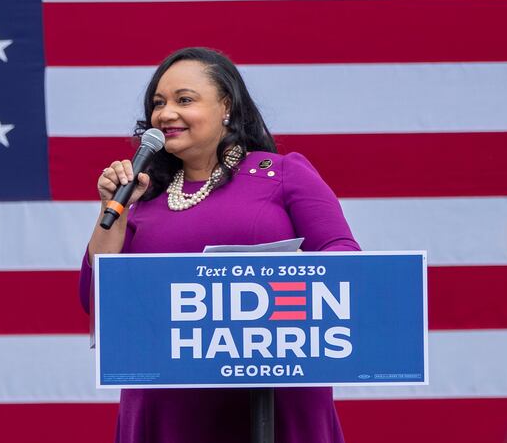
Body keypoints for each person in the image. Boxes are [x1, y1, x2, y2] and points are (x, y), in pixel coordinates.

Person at [79, 47, 360, 443]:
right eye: (158, 103)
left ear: (226, 105)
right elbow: (100, 298)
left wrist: (274, 283)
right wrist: (118, 211)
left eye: (184, 100)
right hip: (170, 402)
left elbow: (345, 257)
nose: (165, 113)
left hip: (270, 393)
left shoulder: (283, 173)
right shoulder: (144, 196)